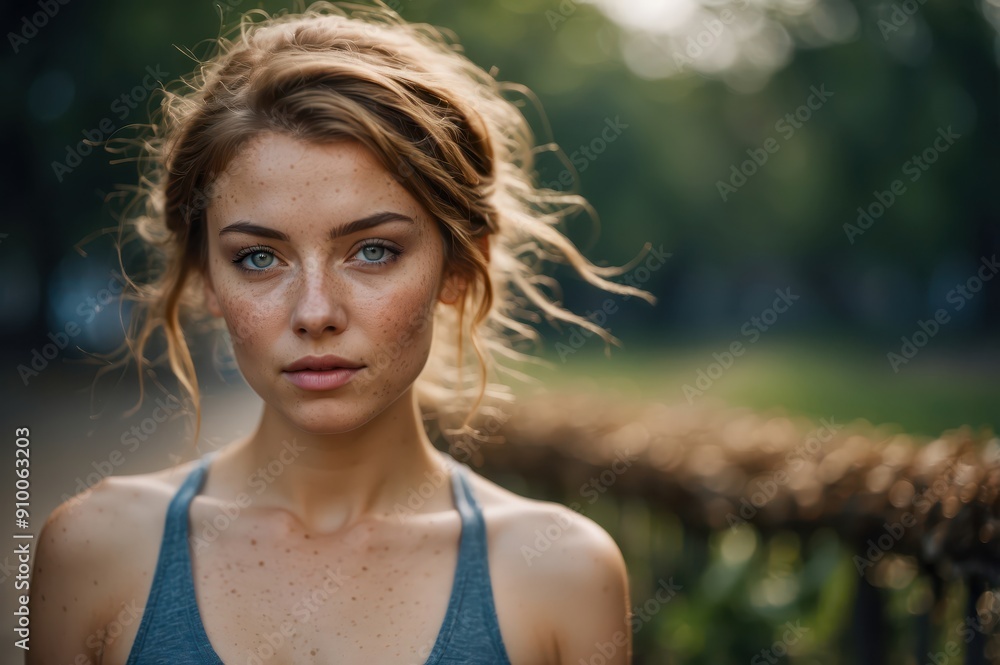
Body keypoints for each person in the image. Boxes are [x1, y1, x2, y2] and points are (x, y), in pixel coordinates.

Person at [29, 2, 654, 663]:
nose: (315, 311)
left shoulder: (561, 575)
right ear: (206, 276)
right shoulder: (94, 550)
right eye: (259, 257)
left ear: (460, 266)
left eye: (374, 250)